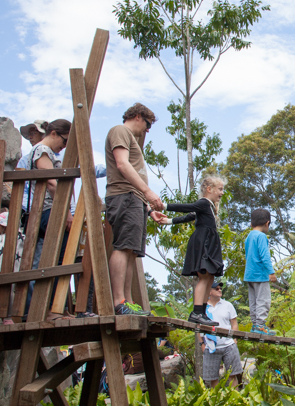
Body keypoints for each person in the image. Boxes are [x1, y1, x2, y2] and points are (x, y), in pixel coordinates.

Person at [104, 103, 164, 316]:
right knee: (123, 247)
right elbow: (122, 164)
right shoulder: (120, 131)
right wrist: (148, 192)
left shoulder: (132, 139)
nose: (147, 130)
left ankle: (128, 302)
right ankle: (118, 301)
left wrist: (148, 209)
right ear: (138, 116)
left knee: (131, 251)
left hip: (135, 199)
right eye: (147, 125)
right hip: (124, 195)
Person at [156, 174, 225, 326]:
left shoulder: (209, 207)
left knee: (210, 277)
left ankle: (203, 312)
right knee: (204, 276)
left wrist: (168, 221)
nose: (222, 192)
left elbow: (189, 216)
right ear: (209, 189)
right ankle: (196, 312)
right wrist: (165, 206)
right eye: (220, 189)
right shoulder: (204, 202)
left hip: (210, 242)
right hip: (203, 241)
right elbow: (189, 207)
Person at [27, 120, 75, 320]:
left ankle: (58, 308)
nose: (64, 147)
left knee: (58, 258)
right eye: (64, 142)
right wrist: (65, 213)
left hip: (48, 210)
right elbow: (51, 182)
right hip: (48, 210)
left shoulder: (47, 152)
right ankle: (50, 309)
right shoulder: (42, 150)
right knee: (59, 258)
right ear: (54, 133)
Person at [201, 282, 243, 388]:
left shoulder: (228, 305)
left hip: (229, 345)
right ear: (209, 292)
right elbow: (198, 328)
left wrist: (235, 340)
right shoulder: (202, 308)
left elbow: (234, 324)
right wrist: (202, 344)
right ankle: (217, 402)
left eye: (220, 288)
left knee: (233, 375)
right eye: (216, 288)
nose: (220, 290)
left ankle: (234, 400)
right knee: (213, 378)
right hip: (211, 347)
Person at [244, 208, 276, 335]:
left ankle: (255, 325)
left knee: (253, 301)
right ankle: (260, 325)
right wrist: (271, 272)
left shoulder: (249, 236)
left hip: (249, 274)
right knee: (263, 300)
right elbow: (265, 256)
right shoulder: (261, 236)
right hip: (260, 275)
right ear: (267, 223)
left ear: (252, 224)